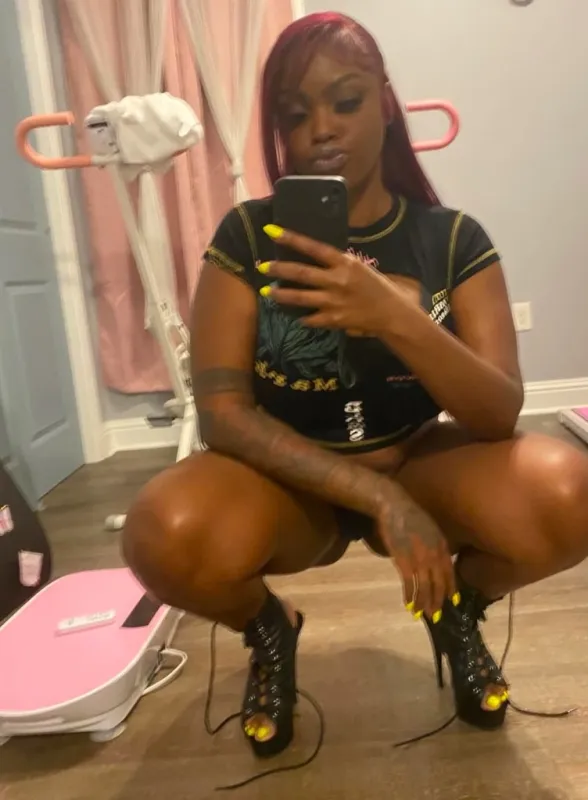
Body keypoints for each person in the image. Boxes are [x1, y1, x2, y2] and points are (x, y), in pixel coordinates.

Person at [122, 12, 588, 759]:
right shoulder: (248, 237)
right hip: (291, 486)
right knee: (161, 532)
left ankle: (458, 609)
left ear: (387, 102)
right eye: (294, 114)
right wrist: (378, 499)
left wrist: (395, 318)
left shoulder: (453, 239)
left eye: (346, 101)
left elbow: (498, 412)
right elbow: (223, 416)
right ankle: (269, 629)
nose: (321, 129)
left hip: (419, 463)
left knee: (570, 494)